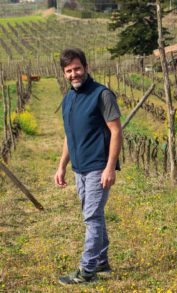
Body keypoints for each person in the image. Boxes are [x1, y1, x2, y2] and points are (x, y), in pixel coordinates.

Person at [54, 48, 122, 285]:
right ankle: (101, 261)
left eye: (77, 68)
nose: (74, 74)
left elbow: (116, 130)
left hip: (98, 166)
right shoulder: (69, 99)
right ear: (64, 73)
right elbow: (69, 135)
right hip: (79, 169)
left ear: (86, 67)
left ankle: (87, 271)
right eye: (69, 70)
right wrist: (62, 165)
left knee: (91, 217)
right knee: (94, 214)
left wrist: (110, 167)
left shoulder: (101, 95)